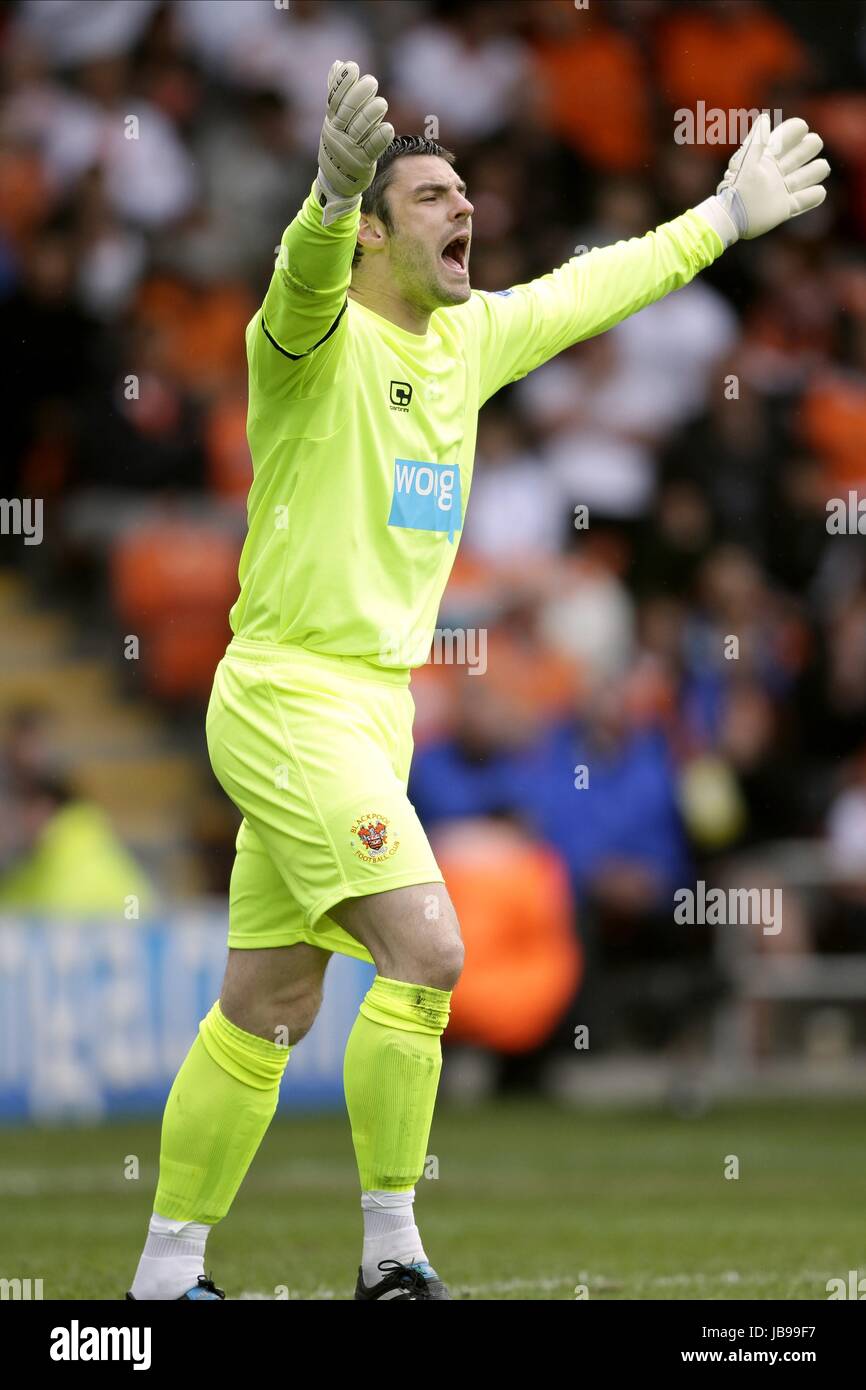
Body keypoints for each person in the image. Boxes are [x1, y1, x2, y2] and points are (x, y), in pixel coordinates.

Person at [127, 60, 829, 1301]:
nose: (466, 210)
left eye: (468, 192)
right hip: (288, 692)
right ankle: (392, 1258)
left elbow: (595, 285)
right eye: (435, 196)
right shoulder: (311, 348)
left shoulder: (471, 342)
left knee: (266, 1007)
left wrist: (720, 218)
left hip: (374, 710)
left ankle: (160, 1278)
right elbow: (297, 286)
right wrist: (325, 200)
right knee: (431, 950)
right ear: (378, 235)